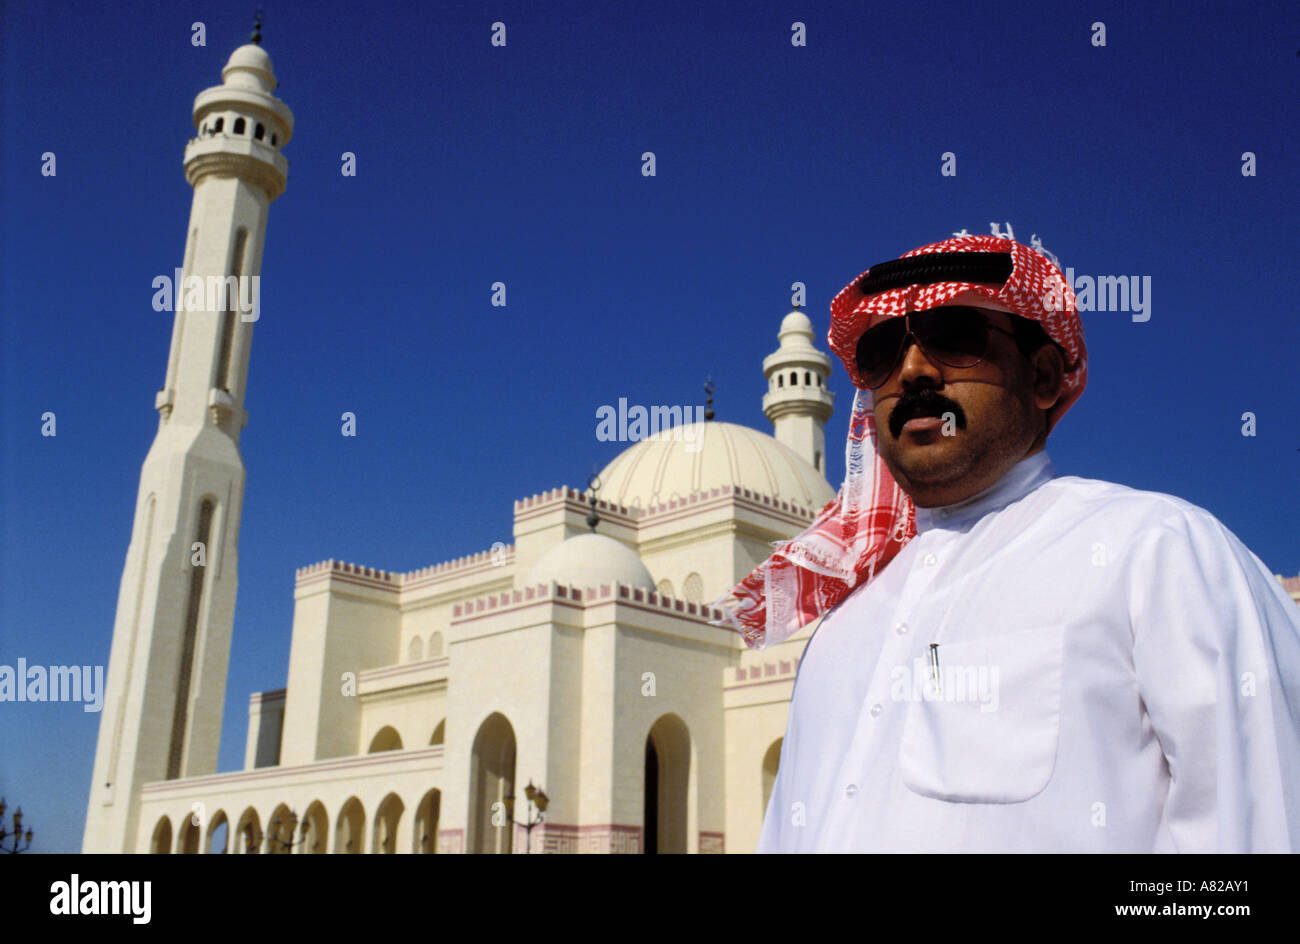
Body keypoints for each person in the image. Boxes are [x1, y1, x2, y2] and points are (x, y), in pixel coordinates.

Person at [715, 233, 1300, 852]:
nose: (913, 369)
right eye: (884, 350)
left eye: (955, 335)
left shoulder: (1155, 552)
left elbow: (1261, 833)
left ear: (1043, 376)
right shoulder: (840, 628)